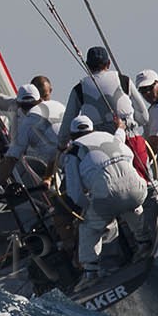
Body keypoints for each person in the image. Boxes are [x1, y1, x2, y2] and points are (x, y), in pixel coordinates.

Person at [61, 114, 149, 285]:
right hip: (138, 189)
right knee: (134, 207)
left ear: (72, 137)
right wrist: (121, 127)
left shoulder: (73, 152)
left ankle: (90, 274)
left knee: (88, 226)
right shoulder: (109, 137)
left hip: (105, 198)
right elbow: (120, 136)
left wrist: (90, 208)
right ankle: (144, 244)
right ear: (92, 129)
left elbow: (75, 193)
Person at [0, 82, 65, 197]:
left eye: (31, 106)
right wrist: (47, 177)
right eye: (25, 106)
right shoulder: (57, 106)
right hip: (69, 160)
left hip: (61, 167)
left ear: (40, 101)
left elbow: (9, 161)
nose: (29, 110)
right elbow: (57, 147)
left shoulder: (27, 123)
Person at [59, 46, 131, 143]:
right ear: (109, 64)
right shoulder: (124, 81)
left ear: (87, 66)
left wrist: (61, 146)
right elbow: (144, 116)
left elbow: (66, 127)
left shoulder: (79, 89)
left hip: (97, 147)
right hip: (129, 142)